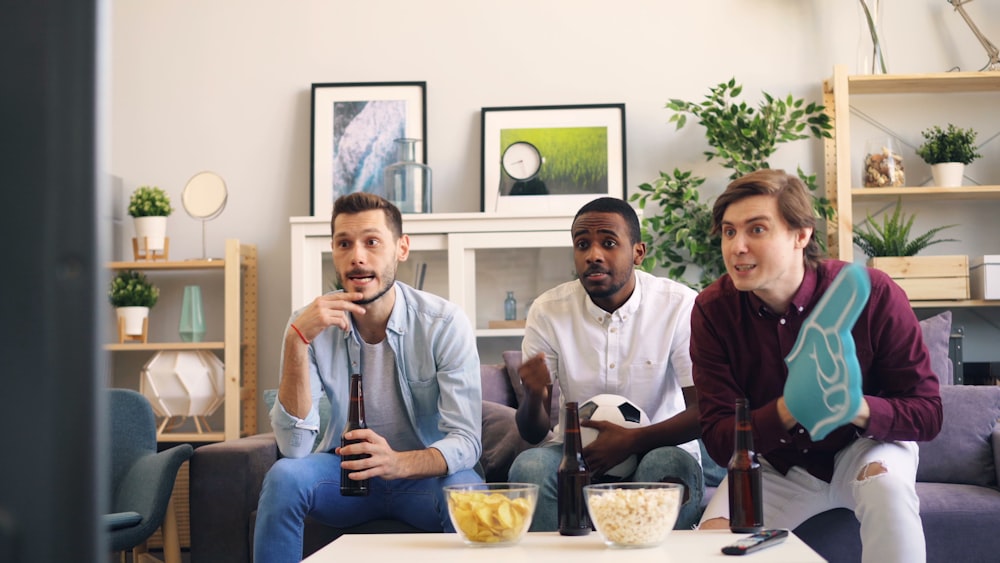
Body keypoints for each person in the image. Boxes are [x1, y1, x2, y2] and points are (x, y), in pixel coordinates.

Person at [691, 169, 942, 562]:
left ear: (801, 235)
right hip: (775, 464)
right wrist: (791, 407)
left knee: (887, 489)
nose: (737, 246)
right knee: (710, 548)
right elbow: (721, 438)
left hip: (865, 448)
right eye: (728, 231)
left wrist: (852, 405)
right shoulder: (712, 310)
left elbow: (928, 414)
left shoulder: (874, 293)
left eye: (757, 230)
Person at [254, 193, 483, 563]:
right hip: (343, 481)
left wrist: (398, 463)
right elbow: (294, 448)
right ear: (333, 250)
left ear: (401, 248)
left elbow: (467, 441)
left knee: (469, 490)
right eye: (344, 244)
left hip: (423, 481)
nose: (357, 256)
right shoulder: (308, 323)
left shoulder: (443, 323)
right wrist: (295, 341)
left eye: (372, 242)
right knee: (284, 477)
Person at [508, 196, 706, 531]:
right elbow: (533, 431)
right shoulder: (548, 311)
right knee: (529, 468)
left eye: (609, 243)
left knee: (668, 465)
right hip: (576, 453)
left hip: (660, 446)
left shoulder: (680, 305)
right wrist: (532, 394)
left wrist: (632, 441)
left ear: (638, 252)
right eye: (582, 244)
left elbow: (703, 411)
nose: (593, 255)